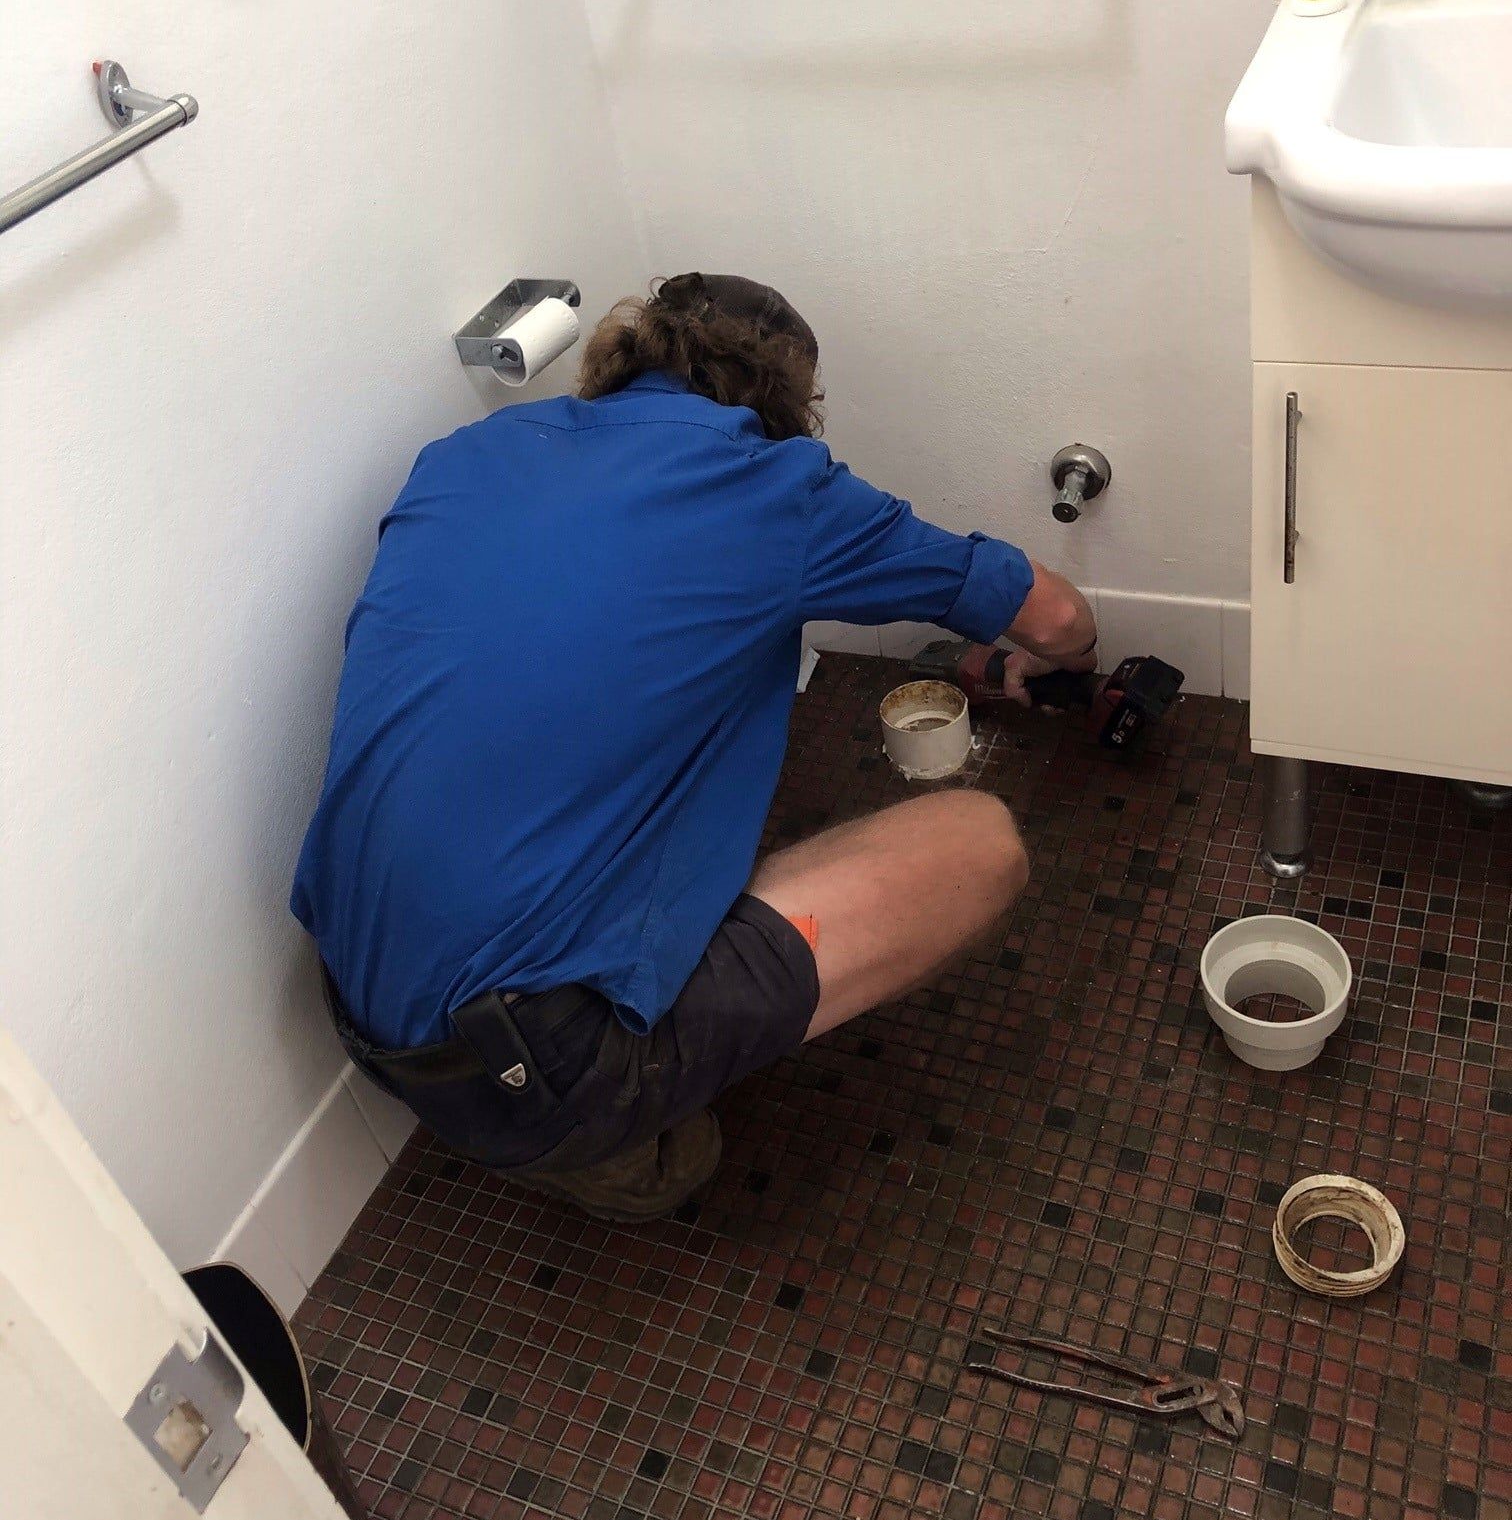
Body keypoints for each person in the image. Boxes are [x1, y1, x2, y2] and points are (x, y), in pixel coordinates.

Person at [291, 275, 1098, 1222]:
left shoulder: (462, 457)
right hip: (533, 1068)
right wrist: (1075, 660)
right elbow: (1054, 617)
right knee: (980, 840)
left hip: (356, 1000)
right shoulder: (775, 486)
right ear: (787, 408)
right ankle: (611, 1142)